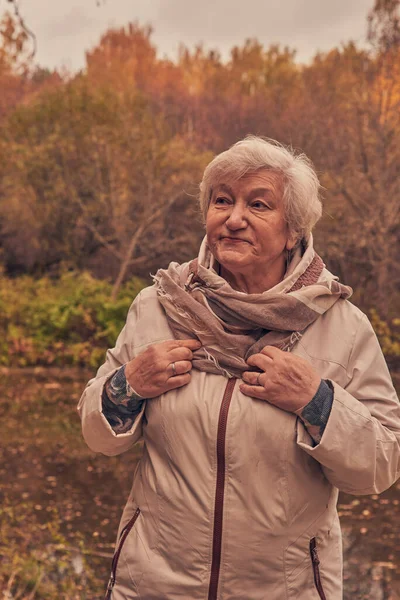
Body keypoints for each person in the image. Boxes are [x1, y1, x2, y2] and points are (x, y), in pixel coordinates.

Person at [78, 136, 400, 600]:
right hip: (150, 586)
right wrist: (127, 386)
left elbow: (382, 464)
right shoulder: (158, 305)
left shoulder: (343, 327)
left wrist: (318, 401)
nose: (233, 219)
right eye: (222, 200)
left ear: (293, 230)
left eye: (258, 204)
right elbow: (95, 432)